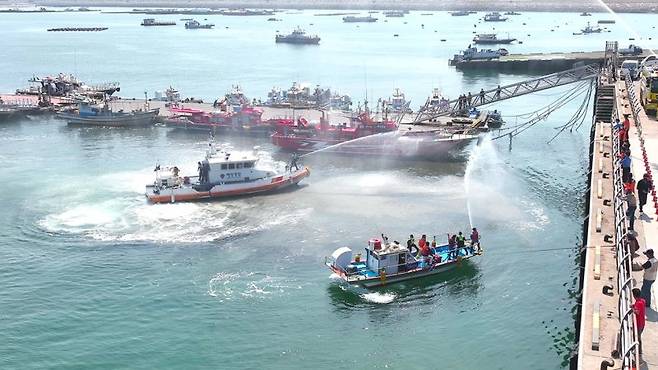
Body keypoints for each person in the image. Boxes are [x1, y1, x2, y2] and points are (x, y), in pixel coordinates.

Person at [632, 288, 646, 355]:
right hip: (642, 323)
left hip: (638, 324)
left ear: (634, 296)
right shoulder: (642, 301)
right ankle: (638, 350)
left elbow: (637, 312)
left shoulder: (638, 303)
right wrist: (634, 306)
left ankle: (639, 351)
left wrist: (633, 309)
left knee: (637, 337)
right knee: (638, 337)